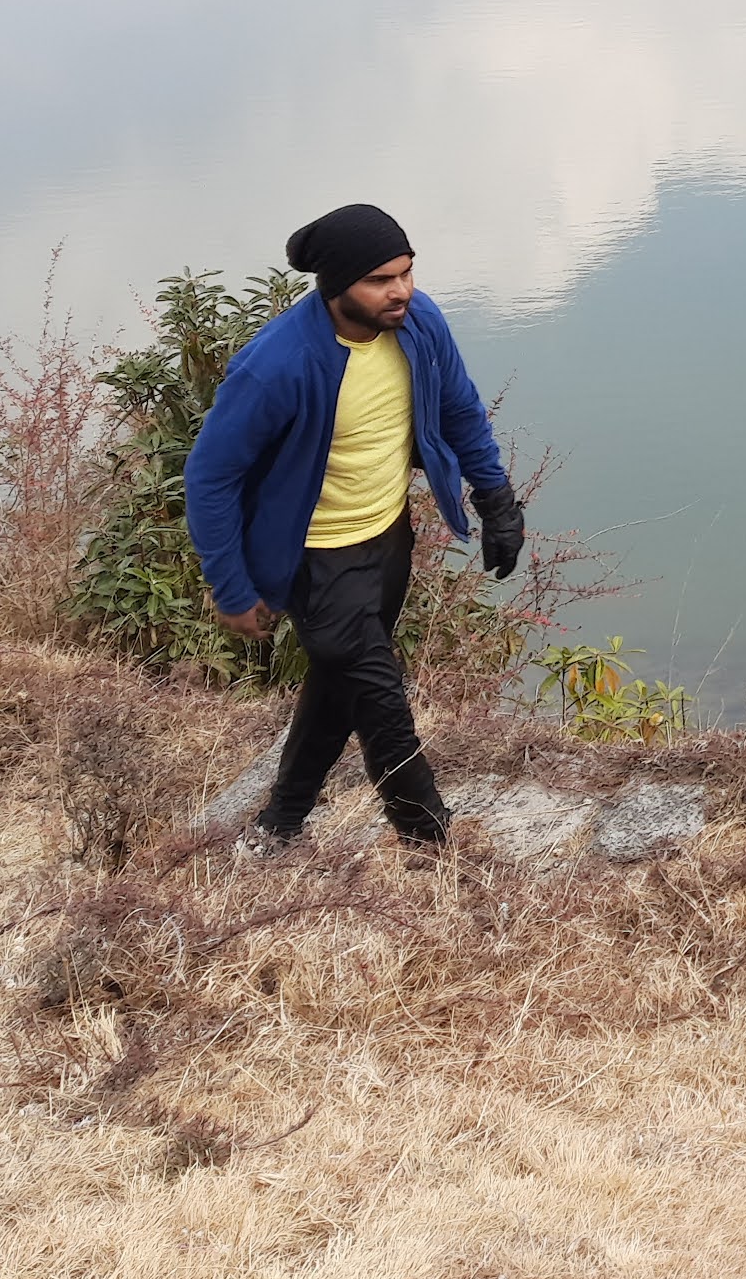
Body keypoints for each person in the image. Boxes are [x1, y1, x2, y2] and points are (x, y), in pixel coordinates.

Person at [183, 203, 526, 851]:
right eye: (379, 280)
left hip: (389, 539)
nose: (400, 289)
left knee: (341, 684)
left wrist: (497, 500)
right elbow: (210, 477)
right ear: (337, 286)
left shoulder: (419, 325)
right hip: (314, 560)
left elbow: (460, 410)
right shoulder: (277, 365)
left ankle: (278, 824)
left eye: (406, 271)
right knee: (383, 705)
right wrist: (231, 587)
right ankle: (435, 850)